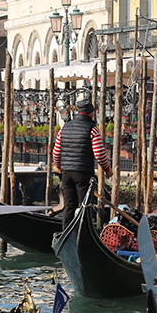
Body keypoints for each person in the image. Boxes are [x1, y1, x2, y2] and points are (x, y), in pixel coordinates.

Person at [51, 94, 111, 226]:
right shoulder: (92, 129)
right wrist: (108, 170)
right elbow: (100, 154)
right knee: (85, 205)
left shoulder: (64, 128)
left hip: (66, 173)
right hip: (83, 173)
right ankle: (83, 231)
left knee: (69, 205)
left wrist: (59, 166)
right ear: (91, 113)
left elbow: (56, 152)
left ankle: (65, 231)